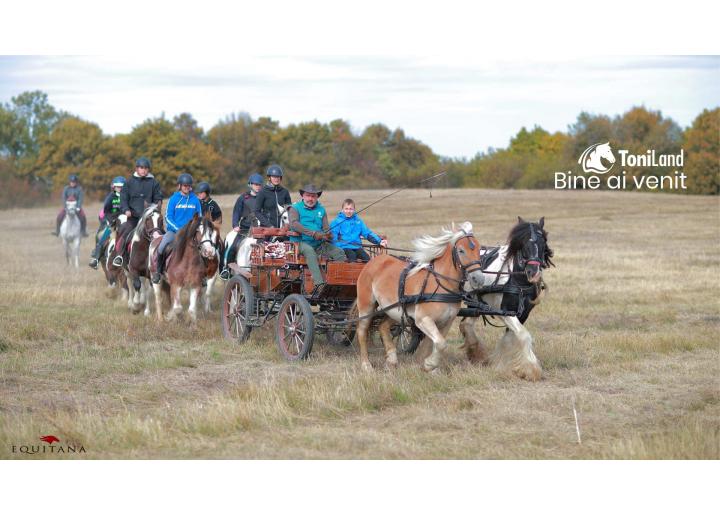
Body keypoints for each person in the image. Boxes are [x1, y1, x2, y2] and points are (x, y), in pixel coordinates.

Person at [288, 184, 346, 294]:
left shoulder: (321, 210)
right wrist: (313, 234)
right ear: (303, 196)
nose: (311, 199)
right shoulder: (294, 208)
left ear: (317, 197)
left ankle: (338, 283)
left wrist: (328, 235)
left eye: (313, 196)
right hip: (299, 243)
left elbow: (326, 228)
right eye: (308, 196)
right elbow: (294, 224)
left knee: (339, 252)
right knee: (310, 252)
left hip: (319, 243)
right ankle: (319, 285)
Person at [152, 173, 203, 283]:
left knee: (204, 246)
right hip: (175, 231)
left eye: (189, 186)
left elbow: (199, 216)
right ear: (179, 186)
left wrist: (196, 228)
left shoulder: (195, 200)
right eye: (184, 185)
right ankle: (158, 272)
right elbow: (168, 217)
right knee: (161, 247)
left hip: (192, 232)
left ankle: (201, 274)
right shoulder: (173, 199)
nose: (187, 188)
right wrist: (178, 229)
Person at [112, 157, 163, 267]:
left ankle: (162, 261)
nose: (144, 170)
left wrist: (155, 209)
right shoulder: (129, 182)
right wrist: (126, 210)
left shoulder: (154, 182)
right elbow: (123, 198)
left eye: (146, 168)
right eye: (141, 168)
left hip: (149, 218)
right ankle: (119, 256)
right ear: (137, 168)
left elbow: (158, 198)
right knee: (125, 231)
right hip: (134, 217)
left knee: (161, 232)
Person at [219, 173, 263, 279]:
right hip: (244, 229)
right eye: (255, 184)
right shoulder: (243, 198)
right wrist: (235, 225)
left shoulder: (264, 198)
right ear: (250, 184)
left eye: (259, 185)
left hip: (260, 230)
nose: (258, 186)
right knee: (233, 246)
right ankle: (226, 268)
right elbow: (236, 212)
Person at [89, 176, 125, 269]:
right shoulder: (110, 197)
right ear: (113, 187)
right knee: (102, 238)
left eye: (122, 187)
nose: (120, 189)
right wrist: (110, 221)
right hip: (112, 223)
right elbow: (107, 211)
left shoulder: (127, 197)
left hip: (125, 223)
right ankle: (96, 259)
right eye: (118, 187)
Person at [253, 164, 291, 228]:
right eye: (274, 177)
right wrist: (269, 225)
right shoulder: (262, 192)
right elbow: (257, 211)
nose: (276, 179)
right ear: (269, 178)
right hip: (267, 228)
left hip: (283, 228)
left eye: (278, 177)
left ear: (280, 178)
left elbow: (289, 209)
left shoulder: (285, 192)